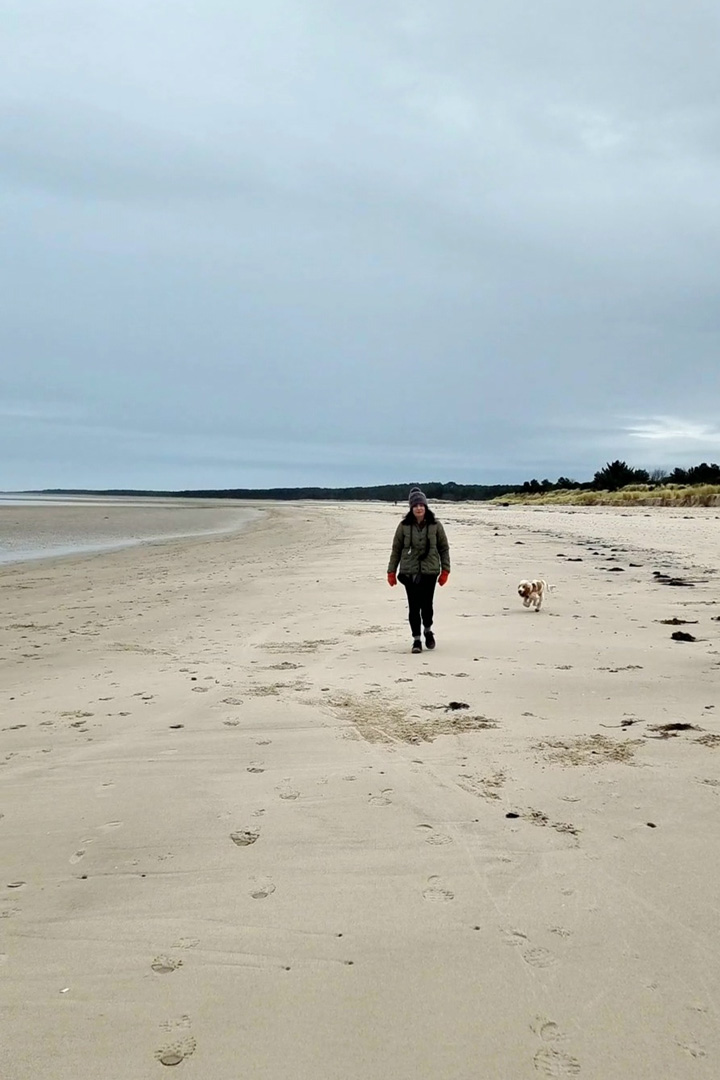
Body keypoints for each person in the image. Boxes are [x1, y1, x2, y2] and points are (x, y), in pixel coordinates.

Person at [387, 488, 451, 653]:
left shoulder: (436, 526)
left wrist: (445, 570)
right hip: (409, 573)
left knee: (427, 605)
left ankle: (428, 631)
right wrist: (391, 571)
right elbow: (396, 549)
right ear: (411, 507)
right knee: (414, 607)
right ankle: (416, 640)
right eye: (415, 505)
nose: (419, 508)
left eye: (421, 504)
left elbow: (444, 548)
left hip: (430, 572)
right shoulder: (403, 526)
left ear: (426, 506)